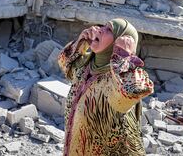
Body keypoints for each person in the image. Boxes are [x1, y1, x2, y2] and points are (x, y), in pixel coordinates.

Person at [58, 18, 154, 156]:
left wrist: (123, 56)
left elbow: (133, 91)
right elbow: (64, 62)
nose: (100, 29)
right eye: (103, 26)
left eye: (109, 29)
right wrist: (81, 42)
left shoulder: (118, 79)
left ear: (120, 41)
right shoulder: (85, 67)